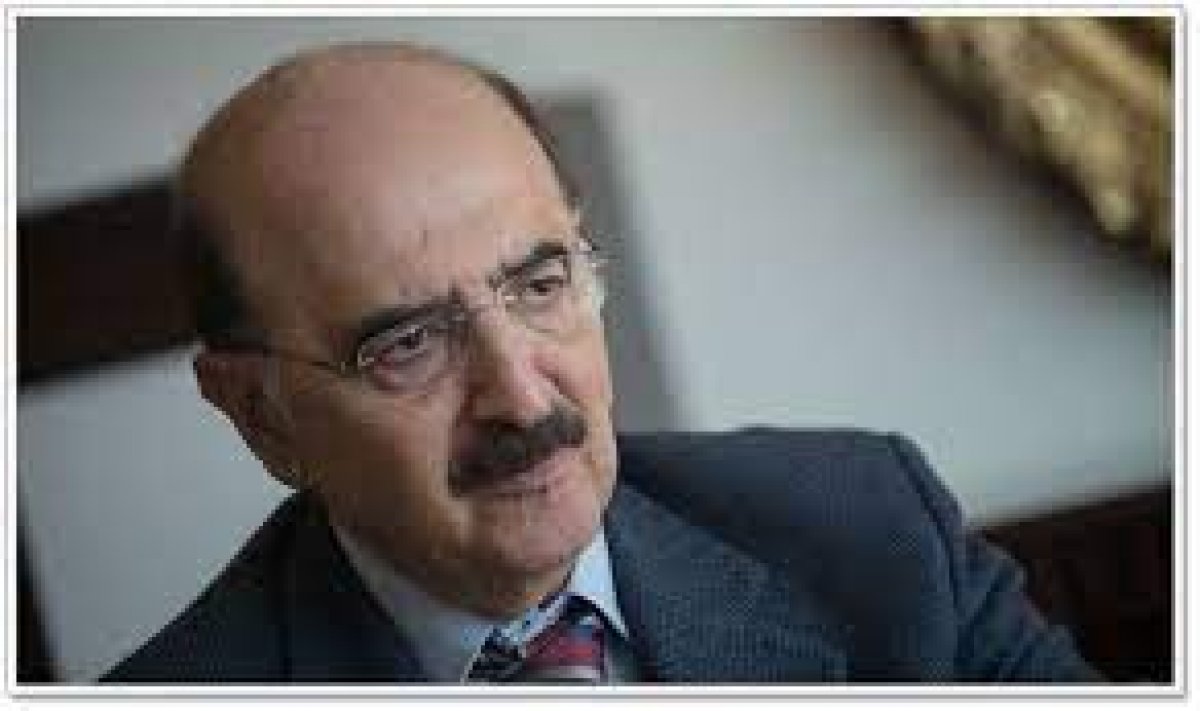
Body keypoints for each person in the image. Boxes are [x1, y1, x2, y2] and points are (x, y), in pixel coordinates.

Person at [103, 42, 1101, 684]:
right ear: (262, 415)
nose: (520, 395)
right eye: (408, 343)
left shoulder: (874, 532)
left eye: (540, 285)